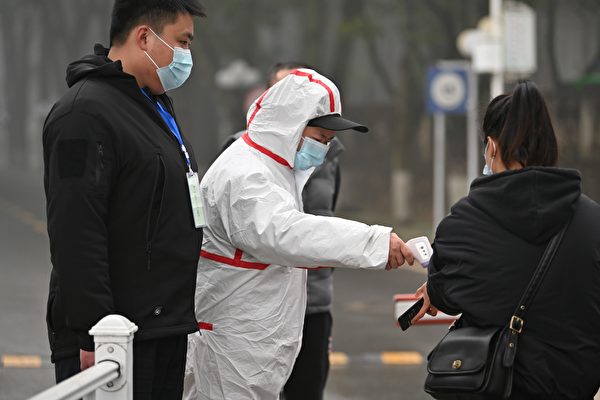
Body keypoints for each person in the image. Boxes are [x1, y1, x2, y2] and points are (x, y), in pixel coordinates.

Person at [183, 68, 414, 400]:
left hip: (247, 351)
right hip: (231, 352)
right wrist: (375, 243)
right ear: (289, 126)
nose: (323, 150)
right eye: (320, 138)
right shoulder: (245, 176)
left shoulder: (272, 169)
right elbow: (288, 233)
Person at [43, 1, 206, 398]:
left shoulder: (151, 105)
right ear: (144, 36)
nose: (187, 56)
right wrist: (94, 332)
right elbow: (76, 231)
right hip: (115, 337)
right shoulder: (83, 115)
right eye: (182, 42)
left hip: (161, 325)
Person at [413, 81, 600, 399]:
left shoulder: (464, 223)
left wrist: (432, 288)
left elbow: (446, 294)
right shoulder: (592, 221)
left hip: (497, 386)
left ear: (492, 147)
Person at [220, 62, 341, 400]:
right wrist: (375, 244)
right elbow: (284, 233)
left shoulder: (327, 157)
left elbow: (325, 218)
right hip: (259, 305)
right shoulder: (244, 158)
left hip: (313, 303)